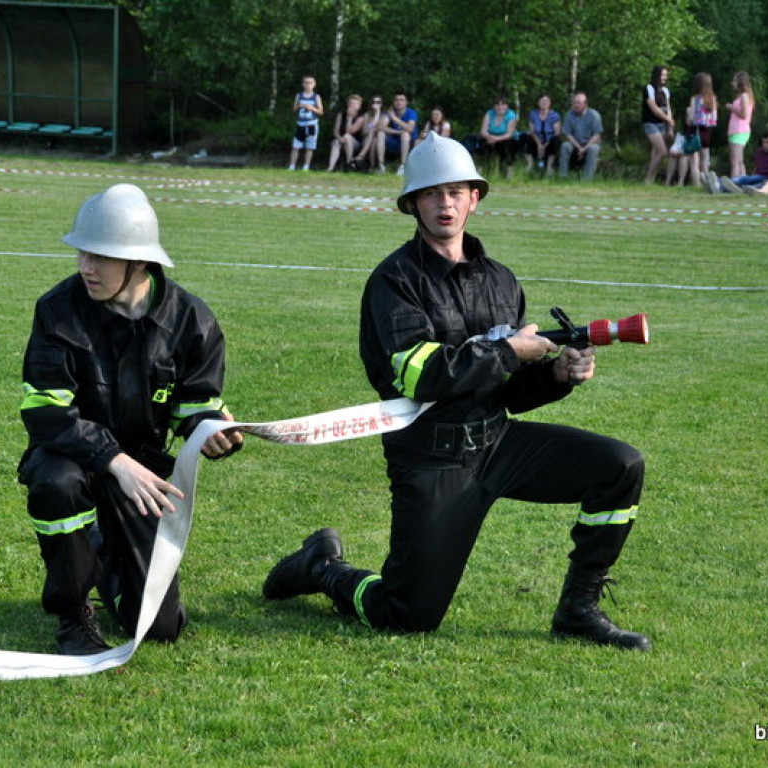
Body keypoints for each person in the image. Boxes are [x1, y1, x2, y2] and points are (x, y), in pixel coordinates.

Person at [263, 133, 651, 651]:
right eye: (432, 193)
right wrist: (511, 351)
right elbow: (419, 377)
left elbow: (507, 393)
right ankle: (324, 567)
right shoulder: (394, 281)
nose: (445, 203)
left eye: (456, 192)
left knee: (620, 466)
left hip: (497, 442)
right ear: (412, 205)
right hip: (430, 457)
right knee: (407, 614)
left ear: (475, 197)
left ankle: (578, 611)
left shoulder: (502, 281)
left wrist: (557, 376)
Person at [18, 184, 244, 655]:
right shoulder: (57, 310)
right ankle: (73, 613)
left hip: (143, 476)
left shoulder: (191, 320)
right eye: (83, 253)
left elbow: (193, 403)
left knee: (159, 626)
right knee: (56, 484)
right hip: (73, 457)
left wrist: (212, 429)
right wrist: (113, 460)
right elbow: (46, 414)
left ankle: (101, 555)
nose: (85, 267)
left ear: (139, 262)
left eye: (99, 257)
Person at [703, 131, 768, 194]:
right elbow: (756, 166)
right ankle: (717, 183)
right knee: (743, 179)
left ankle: (718, 185)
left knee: (745, 182)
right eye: (763, 142)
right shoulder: (759, 151)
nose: (765, 145)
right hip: (758, 176)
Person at [559, 92, 602, 180]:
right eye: (574, 102)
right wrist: (579, 147)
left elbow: (596, 135)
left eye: (578, 103)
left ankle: (587, 179)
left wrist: (584, 148)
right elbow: (568, 134)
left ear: (585, 104)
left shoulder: (594, 115)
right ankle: (563, 177)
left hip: (590, 143)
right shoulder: (569, 114)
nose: (576, 105)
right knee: (565, 146)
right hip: (575, 143)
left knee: (593, 149)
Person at [642, 65, 675, 184]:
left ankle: (652, 178)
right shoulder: (649, 88)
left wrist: (670, 125)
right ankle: (648, 178)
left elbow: (668, 108)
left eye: (666, 75)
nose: (665, 77)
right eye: (663, 75)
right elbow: (653, 108)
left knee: (655, 152)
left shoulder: (665, 91)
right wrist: (667, 119)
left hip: (663, 124)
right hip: (651, 123)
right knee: (662, 151)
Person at [375, 90, 418, 174]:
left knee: (405, 135)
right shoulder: (391, 111)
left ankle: (403, 166)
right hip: (394, 140)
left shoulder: (411, 112)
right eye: (396, 100)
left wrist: (394, 118)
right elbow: (380, 126)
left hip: (409, 142)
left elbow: (410, 128)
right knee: (380, 133)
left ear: (406, 102)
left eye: (401, 100)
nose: (398, 102)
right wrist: (397, 132)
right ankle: (381, 165)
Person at [287, 75, 323, 171]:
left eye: (310, 82)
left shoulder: (316, 96)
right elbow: (294, 109)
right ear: (303, 84)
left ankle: (306, 166)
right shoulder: (299, 95)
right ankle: (292, 166)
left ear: (314, 84)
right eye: (306, 82)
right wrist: (300, 106)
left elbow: (321, 111)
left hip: (312, 124)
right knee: (296, 146)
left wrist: (311, 108)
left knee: (309, 147)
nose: (308, 84)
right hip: (300, 124)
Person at [476, 95, 520, 171]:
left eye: (503, 104)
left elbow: (509, 134)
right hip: (490, 136)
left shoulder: (511, 115)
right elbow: (483, 131)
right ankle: (480, 169)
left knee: (508, 145)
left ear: (507, 106)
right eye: (497, 104)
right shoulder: (489, 113)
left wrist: (496, 139)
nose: (500, 107)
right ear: (494, 106)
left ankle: (508, 171)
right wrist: (489, 137)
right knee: (482, 143)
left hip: (506, 138)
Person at [687, 72, 717, 182]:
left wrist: (689, 113)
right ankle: (708, 182)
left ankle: (697, 183)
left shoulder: (695, 98)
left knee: (694, 159)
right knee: (705, 160)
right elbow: (714, 118)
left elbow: (691, 118)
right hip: (707, 130)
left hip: (696, 129)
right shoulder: (712, 99)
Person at [724, 71, 755, 178]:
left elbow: (744, 114)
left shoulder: (744, 96)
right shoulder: (741, 96)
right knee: (739, 160)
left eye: (735, 81)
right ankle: (743, 180)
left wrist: (731, 107)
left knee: (734, 160)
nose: (732, 83)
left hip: (740, 130)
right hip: (735, 130)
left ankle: (734, 181)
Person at [326, 94, 365, 172]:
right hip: (341, 139)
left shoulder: (361, 117)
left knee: (347, 136)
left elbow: (350, 131)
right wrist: (340, 138)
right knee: (336, 142)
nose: (351, 105)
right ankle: (330, 167)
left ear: (359, 106)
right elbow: (335, 131)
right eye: (350, 103)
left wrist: (349, 118)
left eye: (354, 103)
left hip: (355, 142)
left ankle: (348, 163)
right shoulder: (341, 114)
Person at [525, 93, 561, 173]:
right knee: (526, 136)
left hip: (549, 142)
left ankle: (549, 167)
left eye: (546, 101)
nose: (544, 103)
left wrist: (544, 146)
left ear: (550, 103)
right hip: (536, 141)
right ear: (538, 103)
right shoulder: (533, 114)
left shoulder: (554, 115)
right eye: (542, 101)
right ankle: (529, 165)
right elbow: (532, 131)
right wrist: (539, 145)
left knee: (556, 140)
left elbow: (557, 132)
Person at [352, 94, 384, 170]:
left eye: (378, 102)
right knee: (372, 133)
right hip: (366, 139)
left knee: (374, 139)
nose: (375, 104)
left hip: (380, 140)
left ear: (381, 104)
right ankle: (372, 165)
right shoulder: (367, 115)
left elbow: (381, 128)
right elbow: (366, 131)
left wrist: (378, 112)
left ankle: (362, 156)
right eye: (374, 102)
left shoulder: (384, 115)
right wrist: (376, 115)